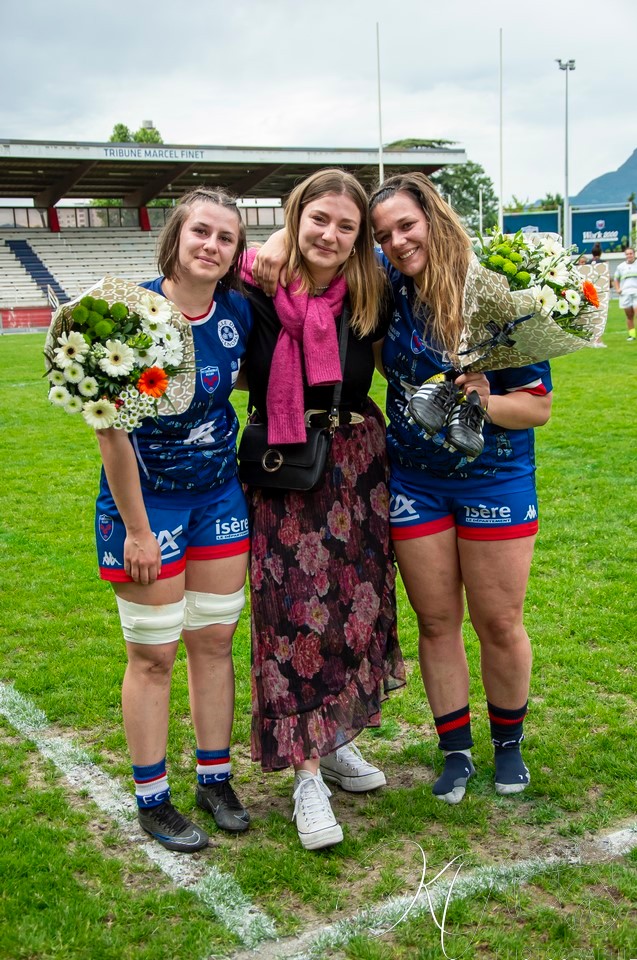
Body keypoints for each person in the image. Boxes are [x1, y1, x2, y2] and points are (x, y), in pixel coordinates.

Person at [367, 173, 552, 803]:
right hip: (415, 481)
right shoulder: (388, 287)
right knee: (438, 621)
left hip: (495, 477)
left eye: (406, 226)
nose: (396, 241)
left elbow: (537, 409)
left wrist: (482, 398)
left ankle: (508, 747)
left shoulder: (492, 292)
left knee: (498, 622)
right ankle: (455, 752)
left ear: (433, 219)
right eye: (384, 234)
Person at [241, 169, 405, 851]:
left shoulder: (369, 292)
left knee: (351, 610)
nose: (330, 235)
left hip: (356, 464)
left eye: (346, 225)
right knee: (291, 616)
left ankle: (334, 742)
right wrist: (275, 241)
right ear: (295, 217)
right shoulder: (256, 283)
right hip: (284, 463)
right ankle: (305, 776)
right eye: (318, 220)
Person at [94, 188, 253, 851]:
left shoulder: (237, 312)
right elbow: (111, 434)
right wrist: (135, 528)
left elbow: (233, 385)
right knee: (153, 653)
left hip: (219, 497)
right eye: (202, 232)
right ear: (177, 237)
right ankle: (152, 796)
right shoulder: (129, 315)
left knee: (214, 642)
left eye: (226, 238)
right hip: (146, 505)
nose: (212, 245)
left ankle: (214, 777)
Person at [614, 247, 637, 341]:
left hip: (636, 291)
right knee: (629, 315)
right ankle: (632, 335)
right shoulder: (621, 267)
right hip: (625, 293)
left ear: (634, 254)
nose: (629, 255)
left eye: (631, 253)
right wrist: (618, 288)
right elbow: (616, 279)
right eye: (627, 254)